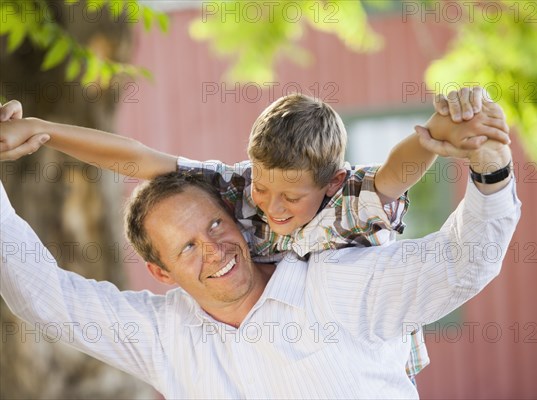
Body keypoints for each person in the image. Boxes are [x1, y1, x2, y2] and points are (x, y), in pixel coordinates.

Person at [0, 88, 509, 383]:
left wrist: (438, 141)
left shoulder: (345, 226)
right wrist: (41, 129)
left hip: (386, 333)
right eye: (186, 247)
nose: (271, 206)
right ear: (160, 271)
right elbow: (138, 158)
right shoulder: (239, 187)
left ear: (329, 183)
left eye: (215, 226)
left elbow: (397, 177)